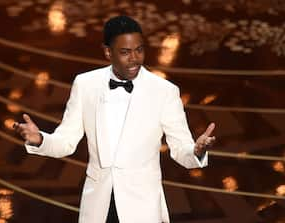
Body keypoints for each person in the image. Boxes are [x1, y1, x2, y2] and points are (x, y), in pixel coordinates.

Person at [13, 15, 216, 223]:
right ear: (108, 52)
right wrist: (40, 140)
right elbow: (66, 142)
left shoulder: (164, 91)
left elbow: (181, 149)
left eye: (139, 50)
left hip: (142, 209)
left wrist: (197, 151)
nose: (135, 58)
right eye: (125, 52)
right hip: (97, 209)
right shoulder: (85, 85)